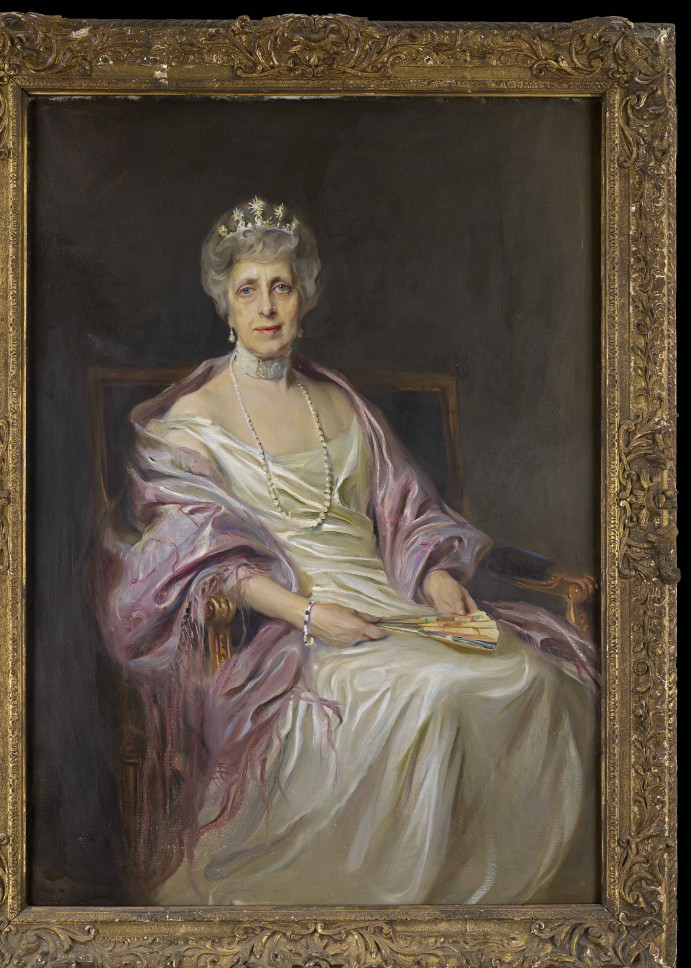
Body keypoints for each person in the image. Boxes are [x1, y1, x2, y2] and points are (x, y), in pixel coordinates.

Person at [90, 197, 600, 906]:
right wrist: (308, 614)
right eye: (248, 290)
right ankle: (412, 900)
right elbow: (200, 561)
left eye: (281, 287)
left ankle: (499, 905)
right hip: (289, 629)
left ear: (304, 297)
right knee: (435, 693)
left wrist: (438, 578)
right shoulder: (190, 421)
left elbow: (409, 514)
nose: (267, 307)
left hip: (394, 608)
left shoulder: (340, 403)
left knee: (532, 679)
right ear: (225, 305)